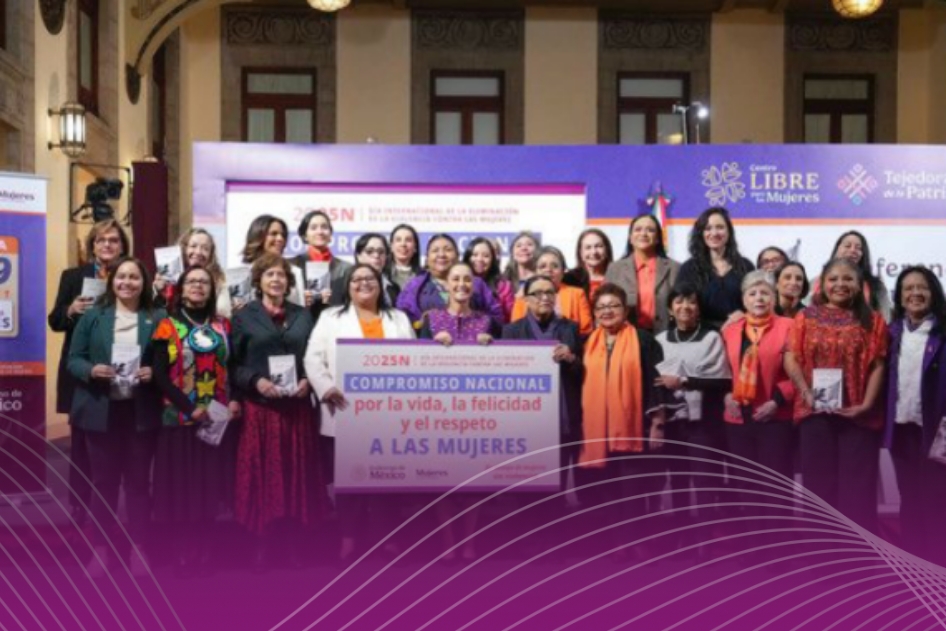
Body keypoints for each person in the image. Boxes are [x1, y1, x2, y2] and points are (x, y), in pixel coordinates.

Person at [304, 264, 415, 562]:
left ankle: (387, 539)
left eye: (370, 278)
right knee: (349, 481)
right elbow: (313, 358)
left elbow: (413, 359)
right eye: (357, 279)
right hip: (344, 410)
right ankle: (348, 539)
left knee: (387, 482)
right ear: (347, 286)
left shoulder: (398, 319)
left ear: (380, 285)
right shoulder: (331, 318)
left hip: (389, 416)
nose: (364, 283)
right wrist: (325, 388)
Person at [67, 257, 164, 577]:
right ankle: (100, 550)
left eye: (134, 277)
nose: (127, 282)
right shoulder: (94, 316)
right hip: (100, 412)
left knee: (138, 484)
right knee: (103, 484)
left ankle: (139, 549)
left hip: (140, 413)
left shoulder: (158, 318)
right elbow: (74, 359)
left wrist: (155, 372)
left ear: (144, 283)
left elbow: (170, 361)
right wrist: (92, 369)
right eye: (121, 276)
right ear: (112, 281)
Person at [231, 254, 327, 571]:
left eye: (281, 275)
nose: (276, 279)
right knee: (263, 478)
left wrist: (308, 381)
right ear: (258, 281)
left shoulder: (304, 316)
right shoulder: (244, 317)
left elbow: (316, 357)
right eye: (269, 274)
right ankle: (263, 542)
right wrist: (255, 381)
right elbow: (232, 364)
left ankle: (294, 542)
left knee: (296, 476)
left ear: (289, 282)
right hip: (261, 410)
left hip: (296, 409)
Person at [784, 257, 888, 533]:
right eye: (833, 279)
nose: (840, 284)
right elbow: (791, 357)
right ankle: (824, 553)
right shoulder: (805, 317)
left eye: (847, 279)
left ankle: (858, 553)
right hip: (815, 413)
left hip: (859, 417)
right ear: (823, 284)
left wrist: (866, 405)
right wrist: (805, 392)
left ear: (859, 284)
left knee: (858, 491)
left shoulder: (873, 320)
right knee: (819, 490)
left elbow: (878, 365)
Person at [151, 266, 241, 575]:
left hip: (216, 419)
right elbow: (160, 375)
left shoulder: (223, 325)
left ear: (211, 289)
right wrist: (189, 408)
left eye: (204, 282)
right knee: (181, 489)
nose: (198, 286)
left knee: (208, 486)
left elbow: (233, 366)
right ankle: (182, 549)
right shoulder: (167, 325)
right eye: (192, 281)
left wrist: (234, 399)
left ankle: (205, 548)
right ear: (181, 288)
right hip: (179, 419)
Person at [48, 218, 130, 526]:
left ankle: (117, 508)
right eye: (101, 240)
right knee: (82, 445)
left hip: (121, 370)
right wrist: (70, 310)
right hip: (80, 371)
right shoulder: (73, 276)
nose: (107, 245)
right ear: (92, 245)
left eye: (113, 240)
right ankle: (79, 504)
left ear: (122, 246)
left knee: (120, 442)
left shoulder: (130, 275)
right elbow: (55, 320)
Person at [578, 283, 668, 560]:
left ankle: (638, 543)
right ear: (595, 313)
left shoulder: (643, 340)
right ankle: (618, 544)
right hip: (598, 431)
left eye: (613, 305)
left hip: (634, 428)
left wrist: (658, 424)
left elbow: (657, 384)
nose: (607, 311)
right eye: (601, 307)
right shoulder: (587, 343)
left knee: (634, 490)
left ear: (625, 310)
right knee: (608, 491)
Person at [418, 263, 499, 561]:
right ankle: (449, 542)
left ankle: (469, 543)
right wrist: (432, 346)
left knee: (474, 483)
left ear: (474, 285)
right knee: (443, 482)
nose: (461, 284)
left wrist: (492, 347)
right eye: (455, 279)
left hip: (477, 413)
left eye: (467, 279)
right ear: (446, 285)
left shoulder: (487, 322)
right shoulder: (431, 320)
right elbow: (415, 364)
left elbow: (505, 366)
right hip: (439, 412)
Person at [653, 283, 731, 537]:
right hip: (673, 422)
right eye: (679, 302)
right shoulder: (659, 341)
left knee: (705, 480)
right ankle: (682, 536)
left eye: (691, 302)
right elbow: (656, 382)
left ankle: (705, 541)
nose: (685, 307)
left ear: (698, 309)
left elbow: (723, 381)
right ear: (670, 309)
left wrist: (684, 381)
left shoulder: (711, 338)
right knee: (678, 480)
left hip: (704, 422)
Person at [721, 272, 796, 532]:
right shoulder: (730, 331)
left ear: (774, 297)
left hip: (775, 416)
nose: (759, 298)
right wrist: (726, 395)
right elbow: (722, 372)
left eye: (765, 292)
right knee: (747, 485)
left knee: (776, 485)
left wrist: (778, 400)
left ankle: (779, 544)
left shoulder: (789, 326)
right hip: (738, 420)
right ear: (744, 299)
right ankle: (755, 543)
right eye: (752, 293)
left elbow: (801, 371)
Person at [883, 266, 946, 565]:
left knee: (935, 500)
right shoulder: (892, 333)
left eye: (922, 287)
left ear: (933, 293)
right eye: (908, 288)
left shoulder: (942, 331)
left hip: (936, 432)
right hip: (902, 430)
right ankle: (913, 566)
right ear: (899, 296)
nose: (915, 293)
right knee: (908, 498)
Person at [502, 275, 583, 505]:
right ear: (526, 299)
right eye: (537, 293)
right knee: (527, 489)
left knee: (558, 484)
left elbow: (582, 373)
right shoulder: (511, 331)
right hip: (527, 421)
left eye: (549, 292)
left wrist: (571, 358)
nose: (544, 297)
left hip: (563, 416)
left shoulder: (570, 328)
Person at [396, 233, 503, 329]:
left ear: (457, 256)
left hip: (470, 342)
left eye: (447, 250)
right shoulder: (415, 286)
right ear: (427, 259)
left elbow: (497, 317)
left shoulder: (476, 284)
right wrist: (421, 323)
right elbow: (401, 320)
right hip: (427, 342)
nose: (441, 254)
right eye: (435, 250)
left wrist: (476, 321)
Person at [676, 207, 755, 330]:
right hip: (700, 333)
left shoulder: (746, 266)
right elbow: (681, 305)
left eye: (720, 227)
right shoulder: (688, 268)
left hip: (740, 330)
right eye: (708, 228)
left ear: (729, 232)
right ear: (701, 233)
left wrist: (744, 314)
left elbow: (756, 301)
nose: (714, 233)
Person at [606, 214, 680, 333]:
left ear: (658, 238)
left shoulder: (674, 268)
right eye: (638, 229)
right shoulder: (615, 269)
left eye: (650, 230)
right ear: (630, 238)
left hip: (666, 335)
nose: (643, 234)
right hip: (625, 335)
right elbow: (605, 305)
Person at [510, 246, 593, 337]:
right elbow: (515, 331)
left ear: (563, 271)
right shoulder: (523, 296)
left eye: (555, 266)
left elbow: (586, 330)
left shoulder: (577, 294)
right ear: (535, 272)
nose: (548, 270)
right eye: (542, 266)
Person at [813, 231, 892, 320]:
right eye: (847, 246)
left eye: (858, 248)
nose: (852, 250)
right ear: (836, 250)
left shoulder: (876, 286)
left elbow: (886, 319)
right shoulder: (815, 283)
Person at [154, 227, 233, 317]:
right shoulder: (168, 276)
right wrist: (158, 293)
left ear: (211, 254)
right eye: (193, 246)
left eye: (205, 248)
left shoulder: (219, 281)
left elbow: (224, 313)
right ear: (184, 249)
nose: (198, 252)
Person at [288, 210, 353, 311]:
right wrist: (298, 299)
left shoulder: (346, 269)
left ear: (330, 234)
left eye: (324, 227)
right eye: (313, 228)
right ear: (305, 236)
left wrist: (334, 299)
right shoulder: (291, 265)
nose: (320, 232)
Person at [332, 233, 399, 308]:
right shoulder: (341, 284)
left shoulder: (393, 287)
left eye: (381, 252)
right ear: (358, 256)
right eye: (369, 251)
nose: (376, 255)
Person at [464, 237, 515, 323]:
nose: (480, 259)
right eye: (475, 255)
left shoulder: (504, 286)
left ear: (493, 260)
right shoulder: (458, 282)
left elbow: (509, 319)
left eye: (486, 256)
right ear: (468, 257)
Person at [564, 228, 614, 305]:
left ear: (607, 250)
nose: (594, 252)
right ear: (580, 253)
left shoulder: (619, 277)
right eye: (588, 247)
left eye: (598, 246)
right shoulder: (569, 279)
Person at [387, 224, 422, 290]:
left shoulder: (424, 276)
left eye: (408, 240)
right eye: (398, 240)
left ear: (415, 247)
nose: (403, 244)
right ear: (391, 247)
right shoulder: (383, 275)